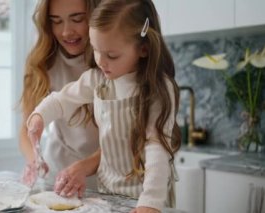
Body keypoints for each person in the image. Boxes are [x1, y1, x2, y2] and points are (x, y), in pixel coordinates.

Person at [27, 0, 182, 212]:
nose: (100, 61)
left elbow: (156, 147)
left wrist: (150, 203)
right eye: (96, 50)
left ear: (143, 49)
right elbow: (62, 100)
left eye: (112, 55)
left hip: (145, 198)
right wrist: (39, 117)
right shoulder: (97, 78)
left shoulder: (157, 89)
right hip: (108, 193)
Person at [19, 0, 101, 189]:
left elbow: (125, 139)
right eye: (56, 21)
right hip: (57, 175)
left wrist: (85, 166)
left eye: (78, 19)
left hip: (106, 177)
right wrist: (35, 160)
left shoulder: (110, 60)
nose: (66, 32)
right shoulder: (42, 62)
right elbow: (26, 130)